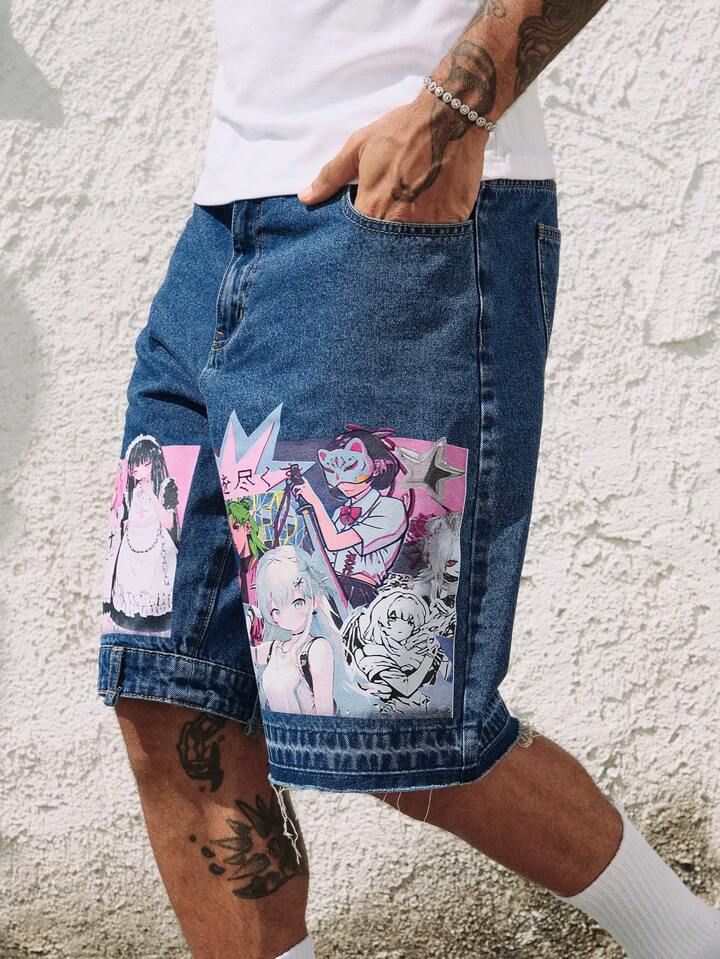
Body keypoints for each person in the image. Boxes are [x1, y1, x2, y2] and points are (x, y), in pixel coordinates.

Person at [98, 3, 720, 958]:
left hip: (388, 221)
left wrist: (449, 117)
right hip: (222, 228)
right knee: (170, 689)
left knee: (388, 712)